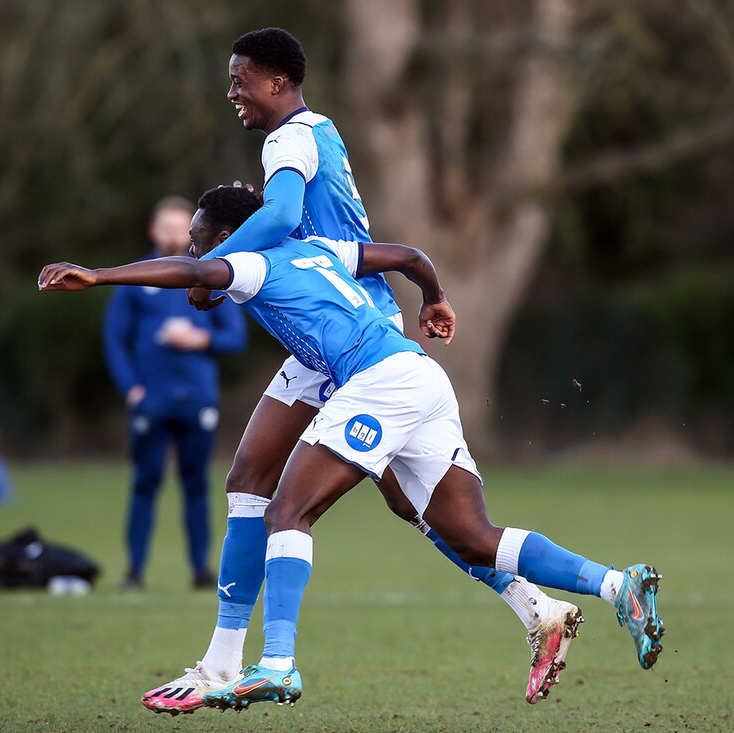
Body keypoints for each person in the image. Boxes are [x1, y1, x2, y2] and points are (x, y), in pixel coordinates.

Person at [37, 184, 665, 711]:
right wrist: (435, 298)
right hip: (419, 375)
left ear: (235, 236)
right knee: (471, 535)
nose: (198, 250)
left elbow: (198, 273)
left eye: (204, 238)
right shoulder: (319, 248)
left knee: (289, 510)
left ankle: (278, 663)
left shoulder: (254, 262)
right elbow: (410, 256)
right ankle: (619, 586)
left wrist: (99, 276)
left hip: (381, 383)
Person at [142, 27, 578, 712]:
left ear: (277, 81)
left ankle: (237, 663)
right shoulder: (322, 130)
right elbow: (365, 242)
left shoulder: (285, 140)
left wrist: (222, 263)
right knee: (395, 499)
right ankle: (536, 606)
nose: (232, 90)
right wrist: (427, 290)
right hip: (352, 320)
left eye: (241, 78)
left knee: (273, 490)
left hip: (347, 333)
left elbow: (285, 215)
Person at [102, 196, 247, 590]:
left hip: (198, 398)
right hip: (152, 399)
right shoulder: (137, 278)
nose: (173, 235)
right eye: (166, 227)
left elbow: (234, 337)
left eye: (181, 228)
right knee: (145, 483)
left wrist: (200, 338)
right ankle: (134, 570)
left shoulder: (208, 273)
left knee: (197, 485)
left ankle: (200, 570)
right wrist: (131, 389)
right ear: (154, 231)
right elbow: (115, 340)